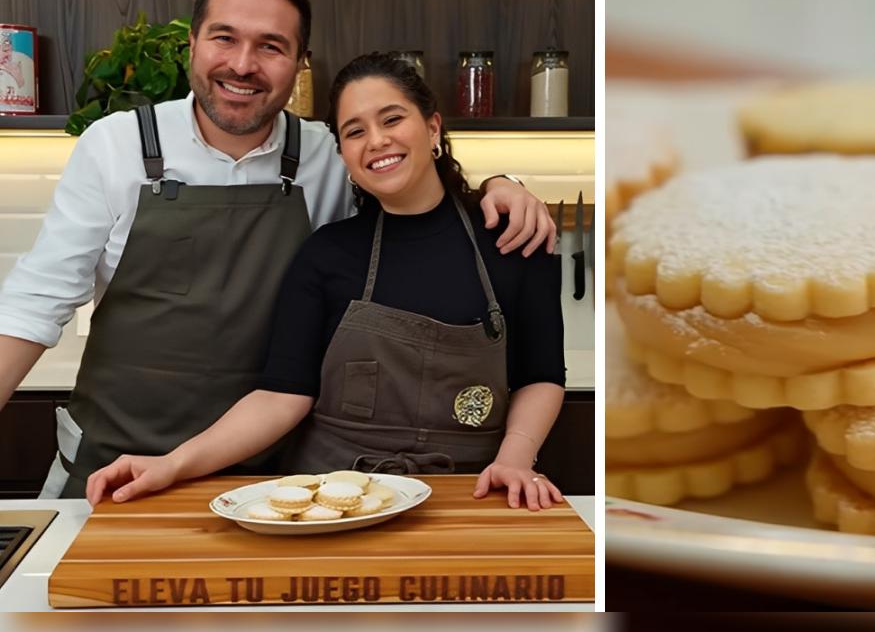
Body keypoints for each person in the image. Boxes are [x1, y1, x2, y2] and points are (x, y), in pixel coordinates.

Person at [0, 0, 555, 499]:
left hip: (267, 476)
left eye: (270, 46)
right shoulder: (115, 145)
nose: (243, 64)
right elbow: (35, 301)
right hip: (114, 465)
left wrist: (499, 187)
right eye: (224, 38)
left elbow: (411, 187)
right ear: (191, 44)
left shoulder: (323, 154)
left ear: (297, 64)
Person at [86, 52, 566, 510]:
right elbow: (282, 396)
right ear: (343, 155)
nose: (376, 140)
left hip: (473, 490)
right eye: (355, 131)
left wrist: (514, 460)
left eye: (392, 119)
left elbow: (541, 374)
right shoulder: (326, 253)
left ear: (433, 126)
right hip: (333, 494)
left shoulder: (514, 237)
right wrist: (172, 465)